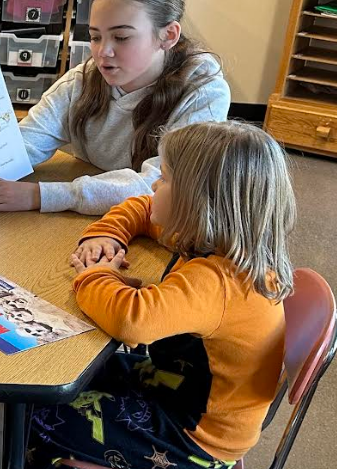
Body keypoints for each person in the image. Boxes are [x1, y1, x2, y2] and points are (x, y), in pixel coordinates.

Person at [28, 121, 294, 469]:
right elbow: (140, 207)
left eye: (165, 178)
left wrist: (96, 276)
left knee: (37, 416)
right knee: (62, 373)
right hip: (176, 388)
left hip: (193, 440)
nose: (155, 184)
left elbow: (132, 319)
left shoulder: (217, 282)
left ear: (199, 202)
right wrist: (109, 235)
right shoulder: (220, 240)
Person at [0, 0, 230, 215]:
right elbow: (20, 147)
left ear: (168, 35)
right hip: (92, 216)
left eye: (121, 37)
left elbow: (160, 186)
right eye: (95, 37)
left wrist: (41, 195)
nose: (103, 52)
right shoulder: (84, 79)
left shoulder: (204, 91)